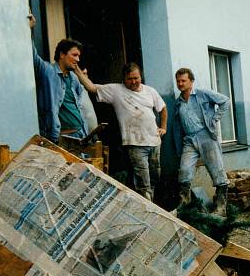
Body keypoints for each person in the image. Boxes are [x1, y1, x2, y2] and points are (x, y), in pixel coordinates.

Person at [76, 63, 167, 201]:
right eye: (130, 79)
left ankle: (150, 204)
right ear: (123, 79)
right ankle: (146, 207)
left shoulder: (150, 91)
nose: (134, 81)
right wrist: (77, 70)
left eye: (136, 78)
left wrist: (163, 127)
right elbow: (92, 88)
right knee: (143, 181)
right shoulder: (116, 90)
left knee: (155, 177)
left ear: (140, 76)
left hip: (154, 141)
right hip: (135, 144)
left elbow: (163, 108)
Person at [172, 67, 230, 213]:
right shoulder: (178, 102)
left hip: (206, 136)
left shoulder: (202, 94)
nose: (180, 84)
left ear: (191, 81)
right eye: (178, 81)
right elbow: (178, 127)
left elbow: (225, 101)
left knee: (217, 171)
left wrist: (214, 119)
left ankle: (221, 207)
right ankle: (184, 205)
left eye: (183, 81)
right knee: (184, 170)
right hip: (189, 140)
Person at [29, 12, 91, 143]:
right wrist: (30, 30)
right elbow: (32, 56)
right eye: (74, 55)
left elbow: (79, 103)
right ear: (62, 55)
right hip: (61, 138)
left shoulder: (73, 78)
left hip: (81, 134)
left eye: (78, 56)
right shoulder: (48, 71)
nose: (77, 59)